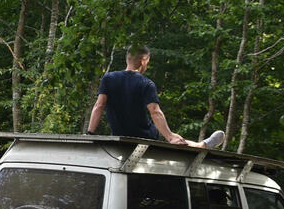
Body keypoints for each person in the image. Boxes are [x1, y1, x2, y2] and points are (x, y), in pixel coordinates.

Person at [87, 45, 224, 149]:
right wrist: (170, 137)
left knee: (171, 136)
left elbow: (99, 106)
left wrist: (90, 134)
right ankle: (201, 146)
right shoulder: (146, 83)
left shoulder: (108, 78)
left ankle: (199, 144)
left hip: (118, 135)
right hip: (145, 136)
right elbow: (155, 112)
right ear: (143, 60)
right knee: (176, 139)